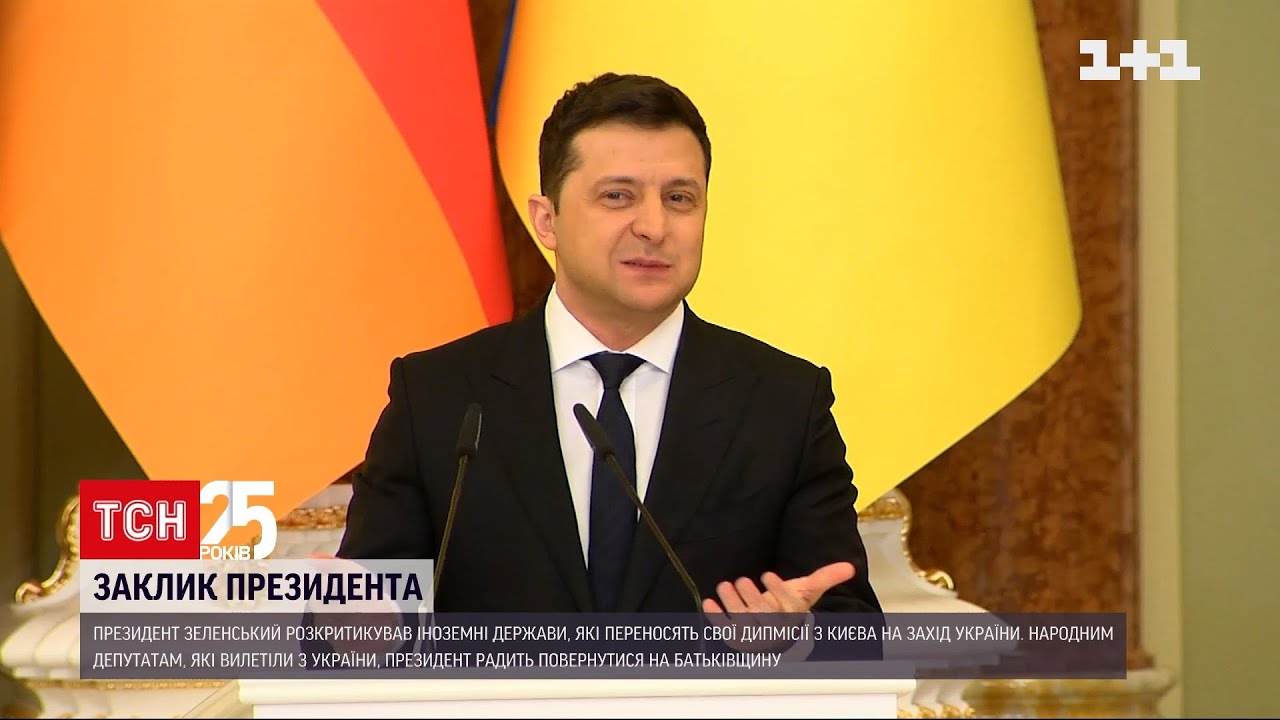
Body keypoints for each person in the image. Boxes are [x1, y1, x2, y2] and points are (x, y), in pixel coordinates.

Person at [337, 73, 881, 619]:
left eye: (680, 198)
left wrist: (797, 642)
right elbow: (362, 613)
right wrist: (351, 634)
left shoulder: (784, 403)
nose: (654, 226)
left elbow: (853, 627)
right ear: (546, 221)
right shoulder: (437, 397)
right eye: (618, 196)